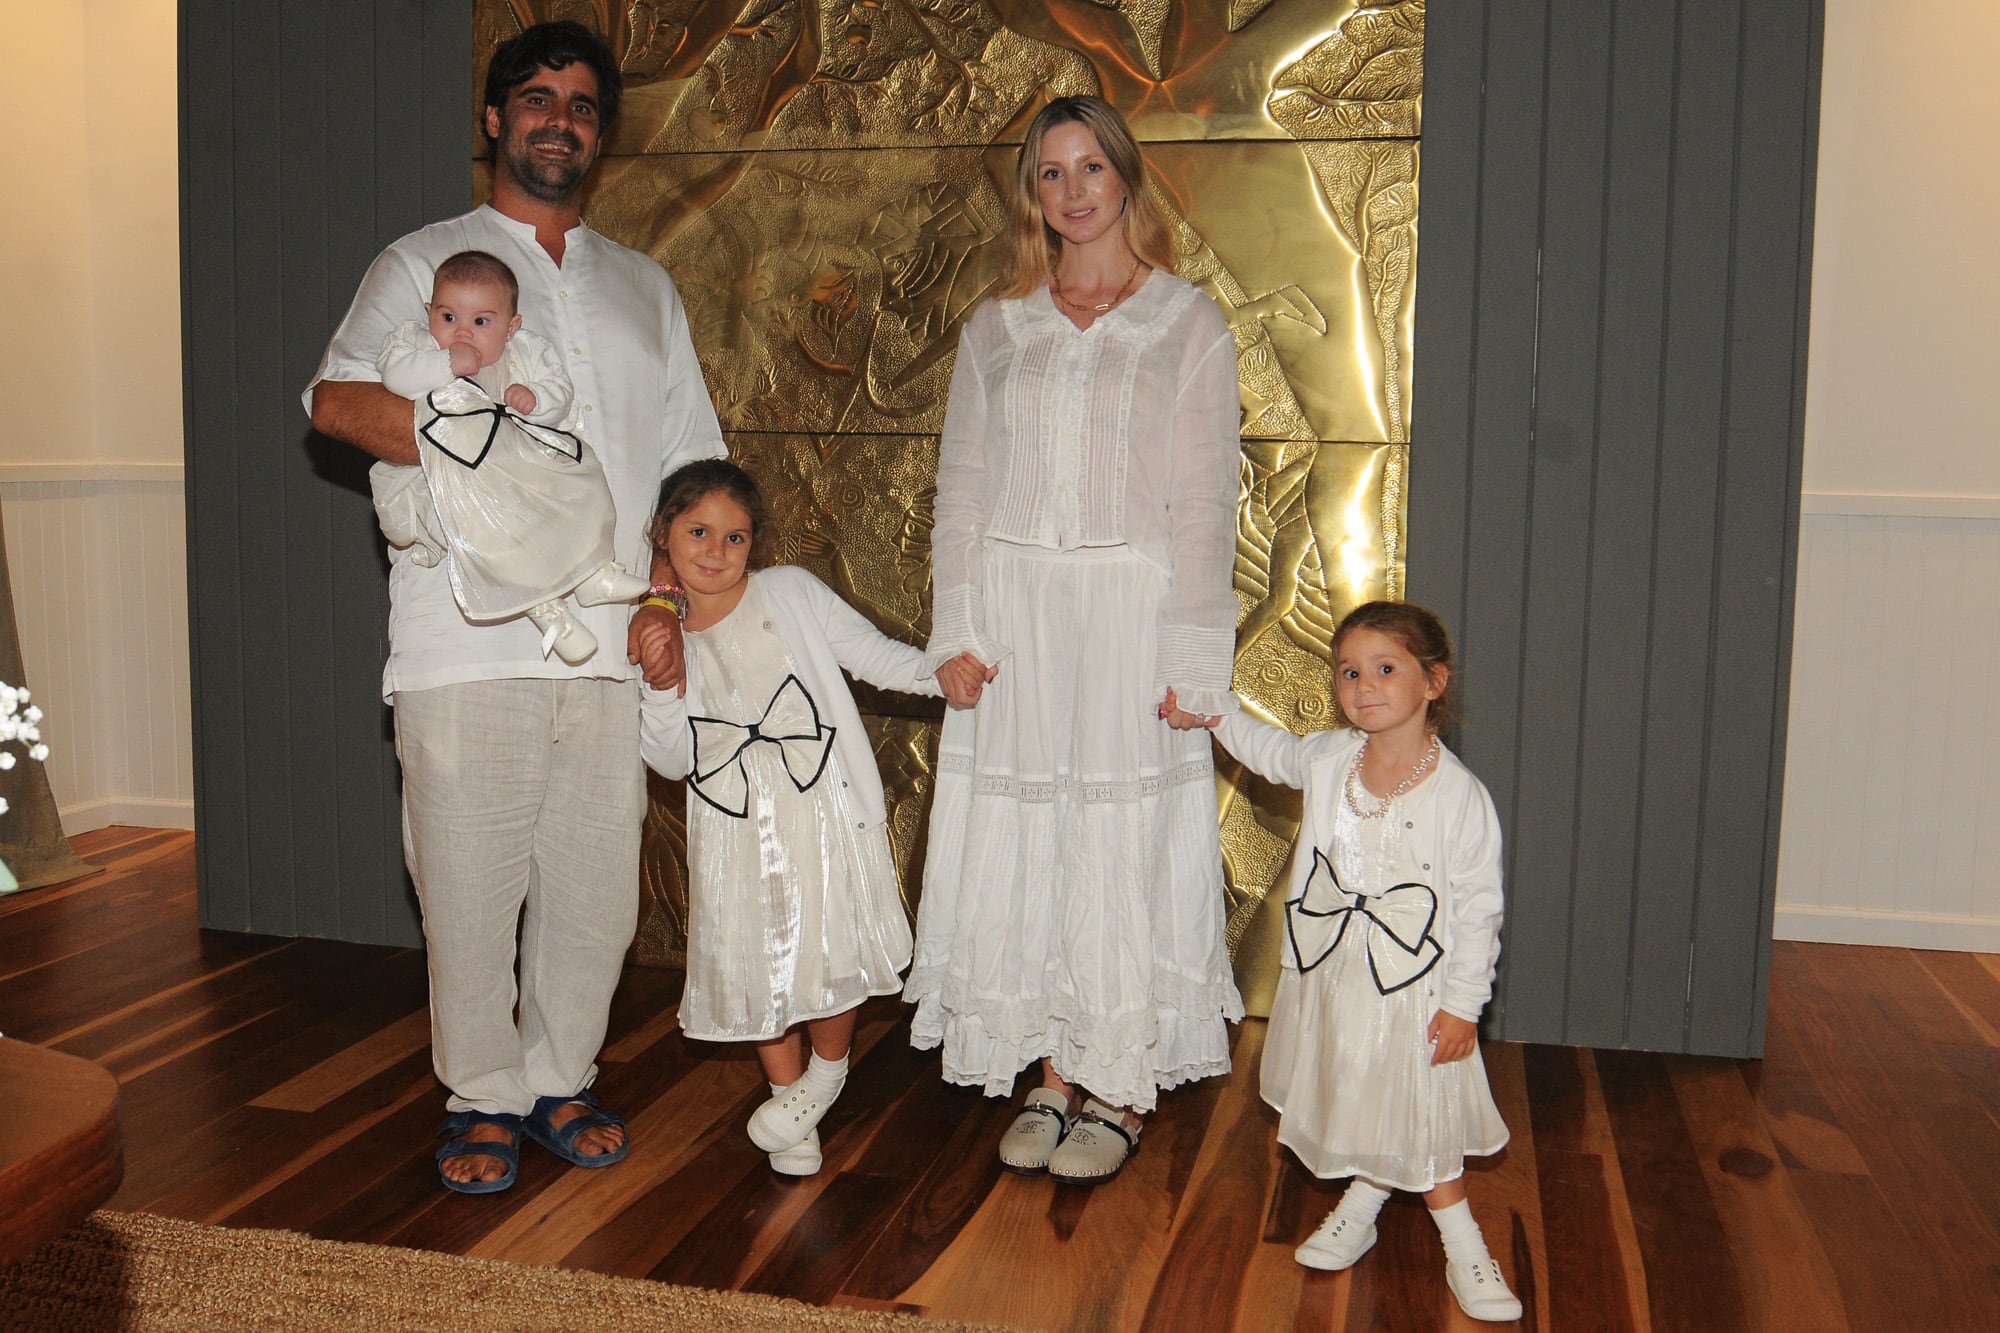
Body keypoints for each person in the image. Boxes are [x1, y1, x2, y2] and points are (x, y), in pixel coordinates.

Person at [303, 21, 725, 1194]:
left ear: (602, 131)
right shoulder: (423, 262)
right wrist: (468, 437)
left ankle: (560, 1075)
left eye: (583, 105)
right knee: (470, 882)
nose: (558, 120)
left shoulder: (643, 285)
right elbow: (336, 404)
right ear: (494, 119)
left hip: (605, 636)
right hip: (464, 629)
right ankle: (480, 1093)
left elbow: (691, 463)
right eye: (535, 99)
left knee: (594, 890)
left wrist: (671, 601)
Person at [905, 95, 1245, 1185]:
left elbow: (1203, 505)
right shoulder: (996, 328)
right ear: (1031, 195)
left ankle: (1118, 1085)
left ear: (1125, 178)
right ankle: (1051, 1073)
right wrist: (953, 625)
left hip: (1127, 618)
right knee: (1034, 840)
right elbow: (959, 489)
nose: (1072, 191)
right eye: (1049, 173)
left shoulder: (1186, 323)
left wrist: (1195, 656)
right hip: (1014, 616)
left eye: (1090, 167)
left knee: (1118, 844)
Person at [1170, 601, 1521, 1322]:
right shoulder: (1330, 759)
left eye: (1385, 669)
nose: (1364, 685)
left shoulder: (1459, 796)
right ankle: (1363, 1199)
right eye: (1349, 670)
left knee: (1422, 1111)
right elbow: (1265, 747)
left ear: (1433, 682)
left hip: (1415, 991)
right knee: (1357, 1090)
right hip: (1334, 977)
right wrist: (1208, 706)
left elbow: (1481, 907)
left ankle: (1463, 1240)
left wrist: (1464, 1001)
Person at [637, 460, 990, 1174]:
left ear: (756, 544)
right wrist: (660, 685)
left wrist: (938, 669)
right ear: (663, 536)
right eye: (698, 531)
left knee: (833, 956)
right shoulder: (660, 635)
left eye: (735, 537)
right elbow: (671, 759)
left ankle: (827, 1075)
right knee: (759, 965)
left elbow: (870, 654)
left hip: (820, 813)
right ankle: (788, 1093)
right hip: (732, 832)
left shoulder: (788, 594)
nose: (714, 550)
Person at [370, 249, 651, 665]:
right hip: (454, 477)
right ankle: (548, 614)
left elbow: (560, 389)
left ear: (511, 326)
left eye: (481, 322)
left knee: (582, 478)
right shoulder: (414, 343)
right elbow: (396, 374)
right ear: (428, 312)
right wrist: (445, 364)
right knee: (492, 538)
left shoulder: (526, 351)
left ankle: (593, 572)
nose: (462, 333)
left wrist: (536, 400)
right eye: (448, 318)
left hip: (522, 465)